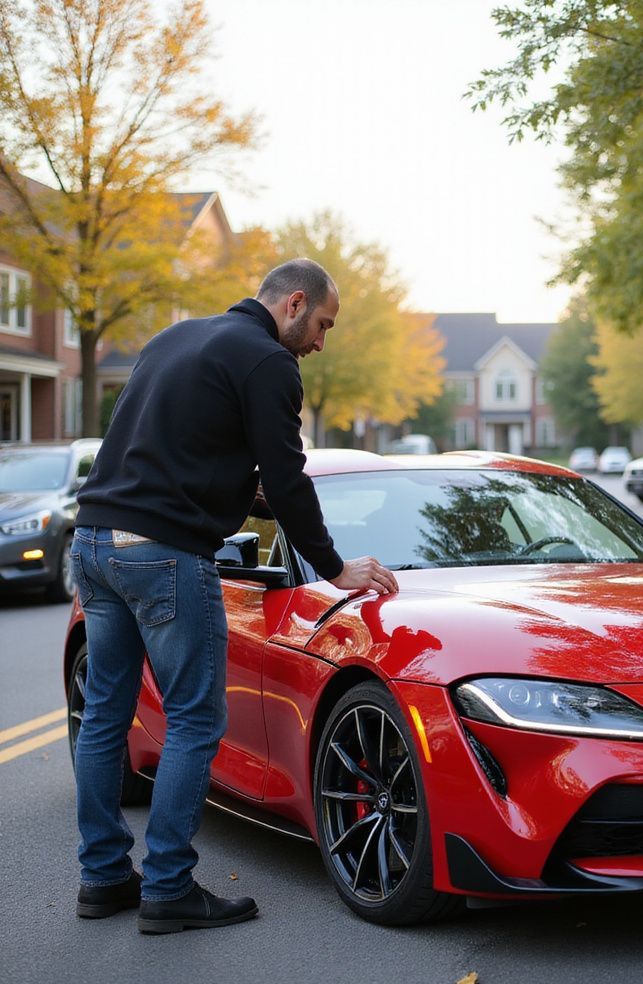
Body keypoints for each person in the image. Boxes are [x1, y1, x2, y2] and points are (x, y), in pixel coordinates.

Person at [70, 258, 399, 934]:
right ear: (295, 303)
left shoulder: (174, 340)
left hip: (96, 541)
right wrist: (334, 566)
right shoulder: (267, 363)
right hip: (162, 554)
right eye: (324, 326)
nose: (320, 342)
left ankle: (102, 876)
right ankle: (167, 889)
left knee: (106, 715)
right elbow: (287, 477)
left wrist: (238, 497)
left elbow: (169, 452)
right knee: (194, 720)